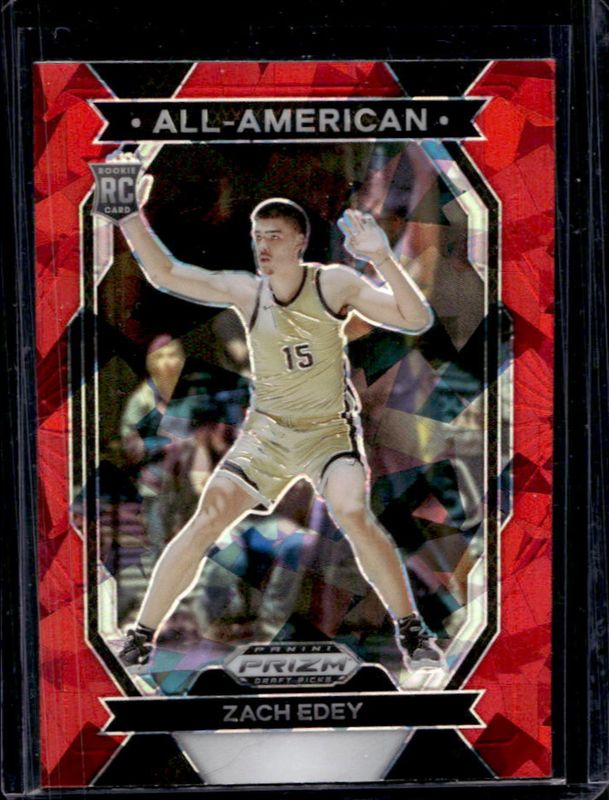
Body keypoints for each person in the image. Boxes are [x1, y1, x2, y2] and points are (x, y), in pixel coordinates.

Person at [100, 155, 444, 671]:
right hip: (268, 434)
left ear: (299, 241)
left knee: (351, 511)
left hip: (328, 433)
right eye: (257, 236)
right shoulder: (247, 291)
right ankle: (141, 635)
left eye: (274, 236)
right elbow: (167, 274)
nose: (262, 245)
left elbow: (416, 319)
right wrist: (129, 217)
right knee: (207, 517)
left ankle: (412, 631)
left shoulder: (333, 284)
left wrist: (381, 258)